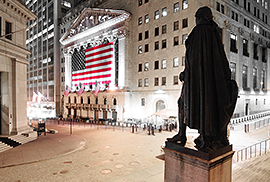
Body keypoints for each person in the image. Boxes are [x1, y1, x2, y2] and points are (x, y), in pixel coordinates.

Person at [167, 6, 238, 152]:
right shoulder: (213, 33)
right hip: (207, 82)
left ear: (199, 18)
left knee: (182, 103)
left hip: (196, 82)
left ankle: (182, 134)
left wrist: (186, 73)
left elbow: (192, 59)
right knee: (202, 106)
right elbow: (220, 60)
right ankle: (201, 135)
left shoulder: (199, 32)